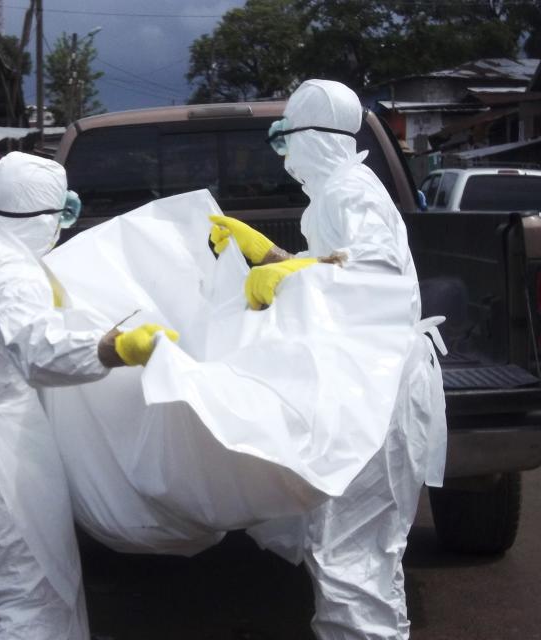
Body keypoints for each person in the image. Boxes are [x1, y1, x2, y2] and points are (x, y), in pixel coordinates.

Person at [0, 151, 178, 639]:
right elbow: (39, 348)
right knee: (29, 595)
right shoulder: (9, 272)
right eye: (62, 216)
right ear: (48, 218)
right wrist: (116, 347)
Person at [210, 79, 446, 640]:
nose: (285, 155)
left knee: (353, 563)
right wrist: (271, 255)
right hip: (364, 383)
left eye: (284, 140)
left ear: (313, 138)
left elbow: (373, 281)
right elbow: (339, 270)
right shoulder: (340, 192)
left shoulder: (349, 194)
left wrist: (290, 276)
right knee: (351, 556)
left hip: (377, 392)